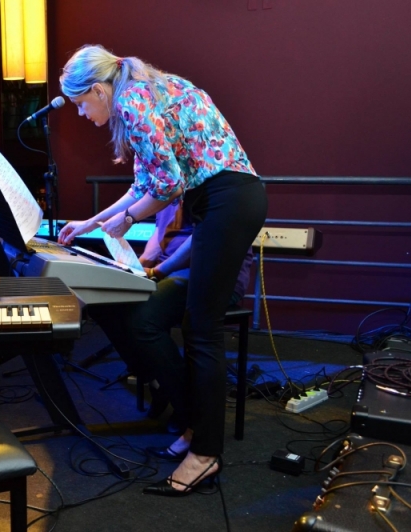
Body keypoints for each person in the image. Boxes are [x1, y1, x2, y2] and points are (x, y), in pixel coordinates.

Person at [58, 45, 267, 496]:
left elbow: (168, 185)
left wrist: (130, 219)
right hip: (225, 199)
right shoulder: (147, 90)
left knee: (202, 327)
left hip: (227, 200)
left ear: (98, 89)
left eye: (80, 103)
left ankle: (205, 452)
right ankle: (194, 426)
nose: (80, 113)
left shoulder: (132, 101)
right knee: (182, 322)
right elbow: (145, 182)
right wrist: (92, 221)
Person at [89, 197, 254, 438]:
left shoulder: (201, 178)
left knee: (143, 320)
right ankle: (157, 380)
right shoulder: (164, 183)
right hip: (171, 269)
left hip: (210, 274)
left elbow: (201, 239)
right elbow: (160, 233)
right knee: (102, 302)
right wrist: (136, 266)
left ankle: (187, 409)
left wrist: (157, 271)